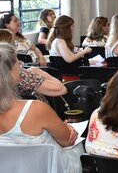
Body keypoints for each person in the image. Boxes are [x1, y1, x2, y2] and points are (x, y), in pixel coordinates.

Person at [0, 43, 83, 173]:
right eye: (18, 62)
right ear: (9, 71)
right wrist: (68, 128)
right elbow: (68, 141)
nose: (21, 65)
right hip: (48, 167)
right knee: (78, 144)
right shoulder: (36, 109)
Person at [0, 29, 67, 103]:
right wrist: (38, 72)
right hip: (33, 110)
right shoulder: (22, 75)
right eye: (14, 43)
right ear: (9, 47)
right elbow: (61, 89)